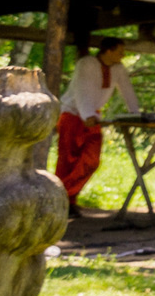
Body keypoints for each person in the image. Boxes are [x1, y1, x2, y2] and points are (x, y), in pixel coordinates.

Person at [55, 38, 141, 206]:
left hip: (92, 117)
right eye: (119, 51)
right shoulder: (86, 63)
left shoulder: (118, 68)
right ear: (108, 51)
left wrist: (135, 113)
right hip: (72, 115)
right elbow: (82, 89)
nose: (123, 55)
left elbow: (127, 90)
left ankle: (63, 196)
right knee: (68, 161)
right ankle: (65, 201)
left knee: (91, 161)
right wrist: (87, 115)